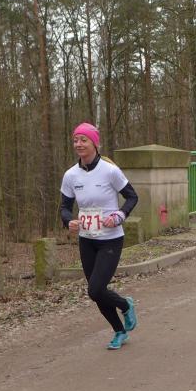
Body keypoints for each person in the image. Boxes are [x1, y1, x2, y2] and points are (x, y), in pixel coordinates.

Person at [60, 123, 139, 350]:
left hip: (110, 239)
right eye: (75, 140)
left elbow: (132, 197)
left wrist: (119, 215)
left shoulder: (109, 170)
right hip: (87, 239)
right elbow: (64, 207)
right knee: (97, 292)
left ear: (94, 143)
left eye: (83, 140)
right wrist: (69, 220)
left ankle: (125, 305)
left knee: (95, 289)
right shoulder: (70, 175)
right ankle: (119, 331)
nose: (79, 144)